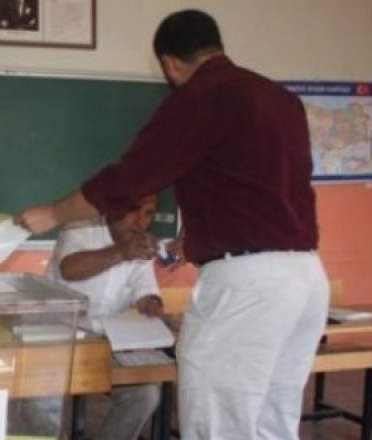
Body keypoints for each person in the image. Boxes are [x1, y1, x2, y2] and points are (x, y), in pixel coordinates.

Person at [17, 9, 328, 440]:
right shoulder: (279, 98)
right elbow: (259, 184)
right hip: (305, 278)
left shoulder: (201, 96)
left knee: (219, 424)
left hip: (248, 286)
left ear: (169, 62)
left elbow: (130, 178)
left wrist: (53, 213)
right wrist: (198, 233)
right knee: (271, 422)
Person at [47, 194, 162, 440]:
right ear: (113, 207)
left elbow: (145, 292)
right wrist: (121, 252)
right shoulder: (81, 227)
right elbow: (69, 269)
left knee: (145, 394)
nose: (141, 221)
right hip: (58, 342)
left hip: (109, 344)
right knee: (45, 403)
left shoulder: (140, 245)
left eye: (149, 213)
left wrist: (151, 303)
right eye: (133, 210)